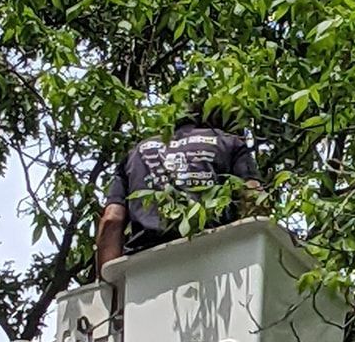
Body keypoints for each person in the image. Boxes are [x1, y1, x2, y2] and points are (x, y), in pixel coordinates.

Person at [95, 114, 263, 277]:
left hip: (143, 268)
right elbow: (253, 199)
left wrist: (110, 287)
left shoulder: (136, 152)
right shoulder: (229, 143)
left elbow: (112, 219)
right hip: (213, 258)